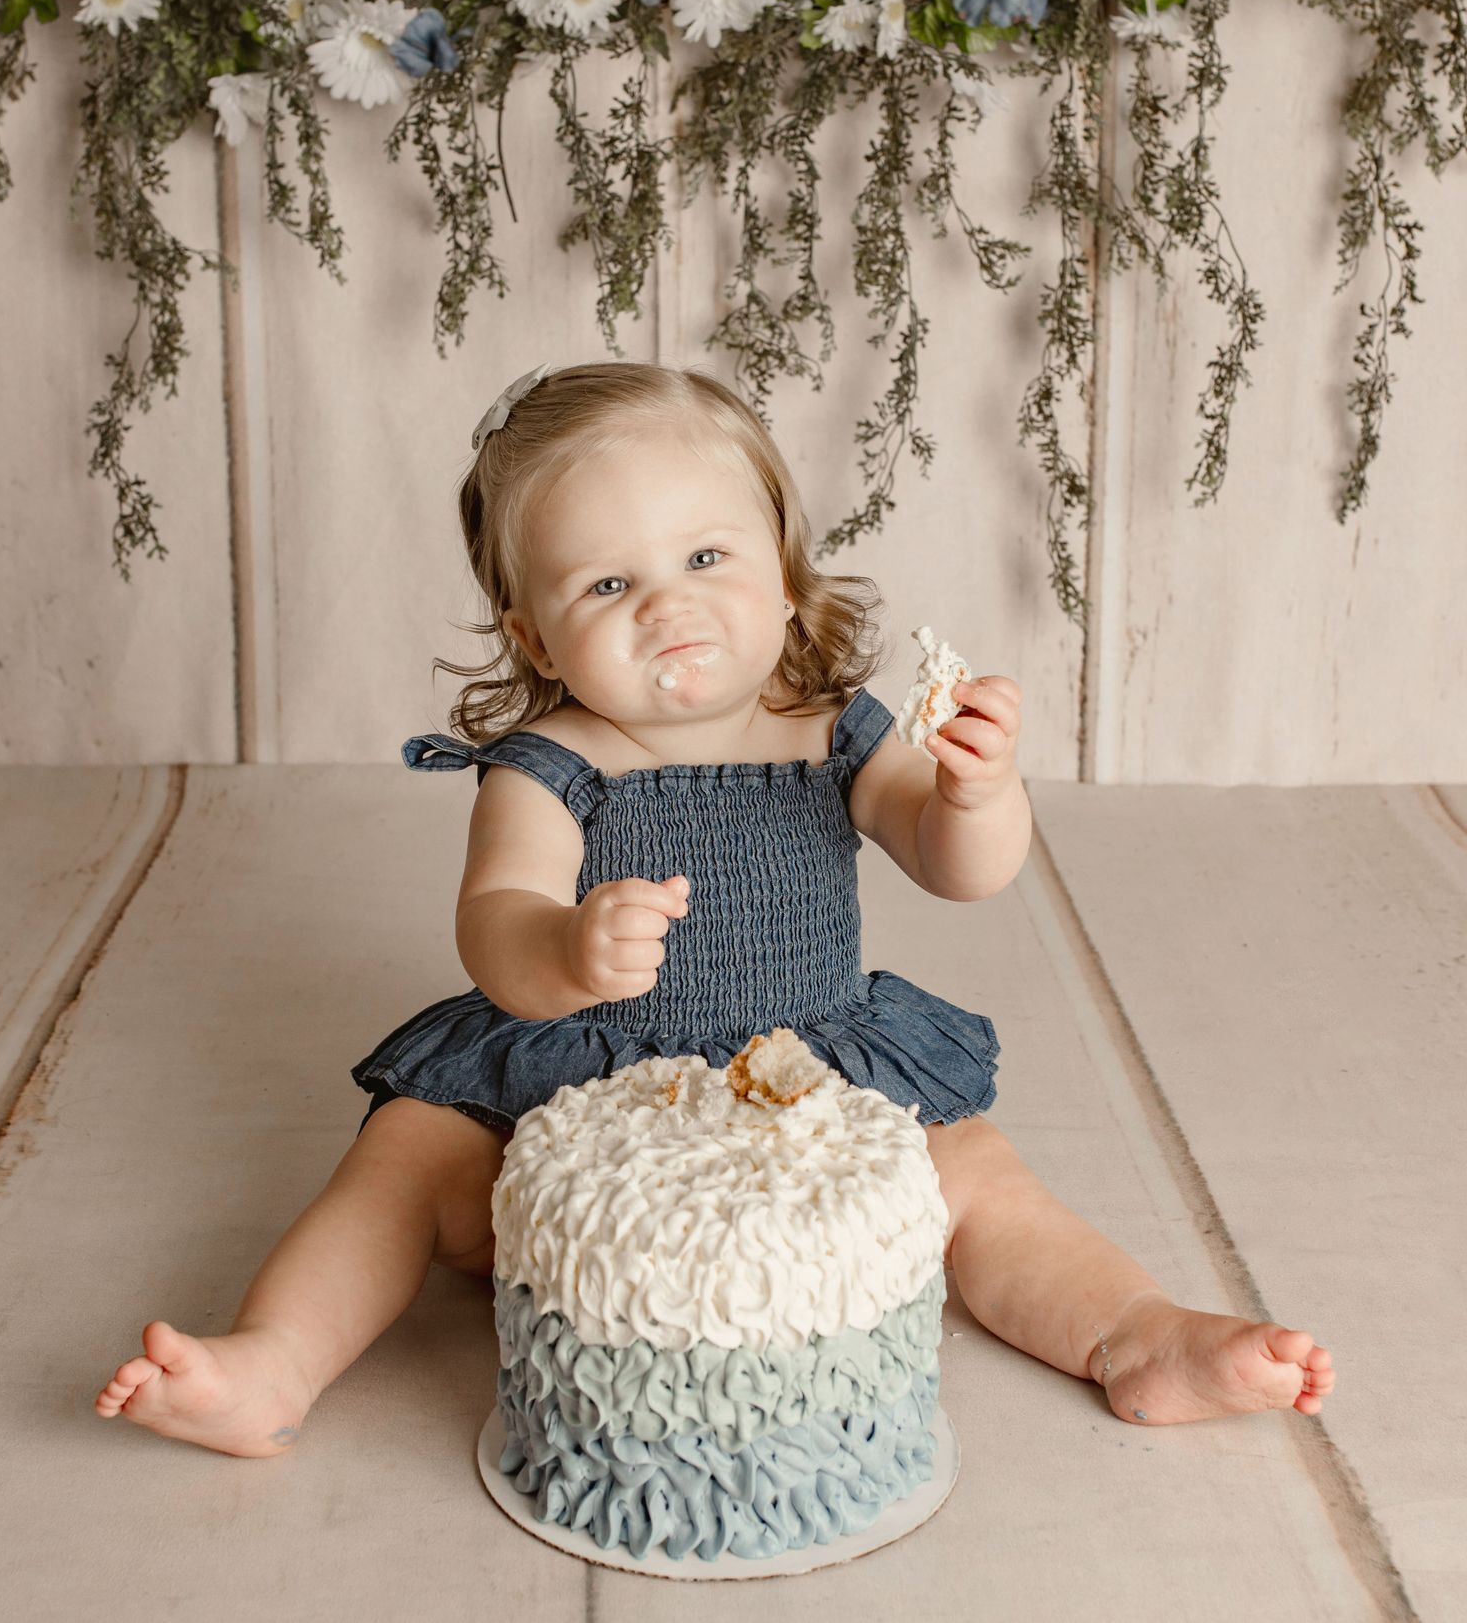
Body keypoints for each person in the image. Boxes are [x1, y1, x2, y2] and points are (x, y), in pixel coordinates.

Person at [94, 360, 1335, 1456]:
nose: (666, 606)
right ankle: (273, 1361)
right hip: (580, 1090)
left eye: (704, 558)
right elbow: (495, 918)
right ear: (534, 635)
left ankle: (1134, 1336)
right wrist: (566, 952)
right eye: (607, 582)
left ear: (786, 579)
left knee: (974, 1176)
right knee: (404, 1155)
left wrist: (979, 790)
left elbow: (959, 866)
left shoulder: (834, 730)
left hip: (807, 1080)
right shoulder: (551, 761)